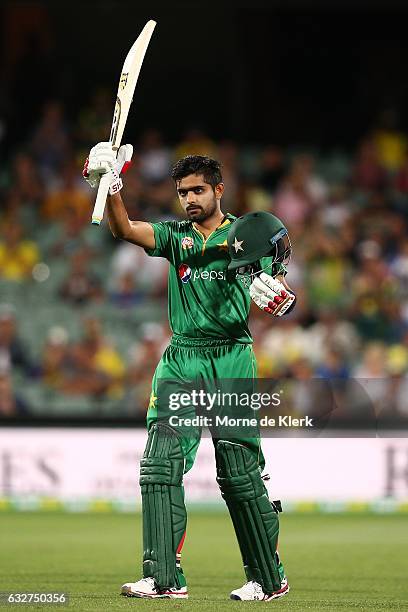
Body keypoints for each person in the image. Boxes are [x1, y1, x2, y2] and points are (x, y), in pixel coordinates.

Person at [83, 142, 296, 602]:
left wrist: (276, 292)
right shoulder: (175, 236)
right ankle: (163, 578)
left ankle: (267, 578)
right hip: (182, 357)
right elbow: (125, 229)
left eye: (198, 190)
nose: (190, 200)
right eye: (183, 193)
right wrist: (110, 186)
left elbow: (274, 275)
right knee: (159, 464)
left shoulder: (247, 232)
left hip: (231, 357)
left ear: (219, 190)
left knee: (239, 473)